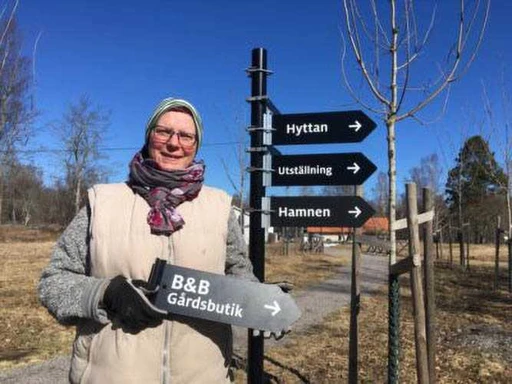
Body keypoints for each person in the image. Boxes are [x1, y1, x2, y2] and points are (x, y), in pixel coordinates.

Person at [38, 98, 259, 384]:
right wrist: (106, 294)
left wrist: (265, 305)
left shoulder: (220, 209)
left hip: (203, 375)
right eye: (163, 131)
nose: (173, 143)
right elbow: (53, 282)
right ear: (148, 136)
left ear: (197, 145)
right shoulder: (102, 202)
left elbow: (239, 274)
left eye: (185, 136)